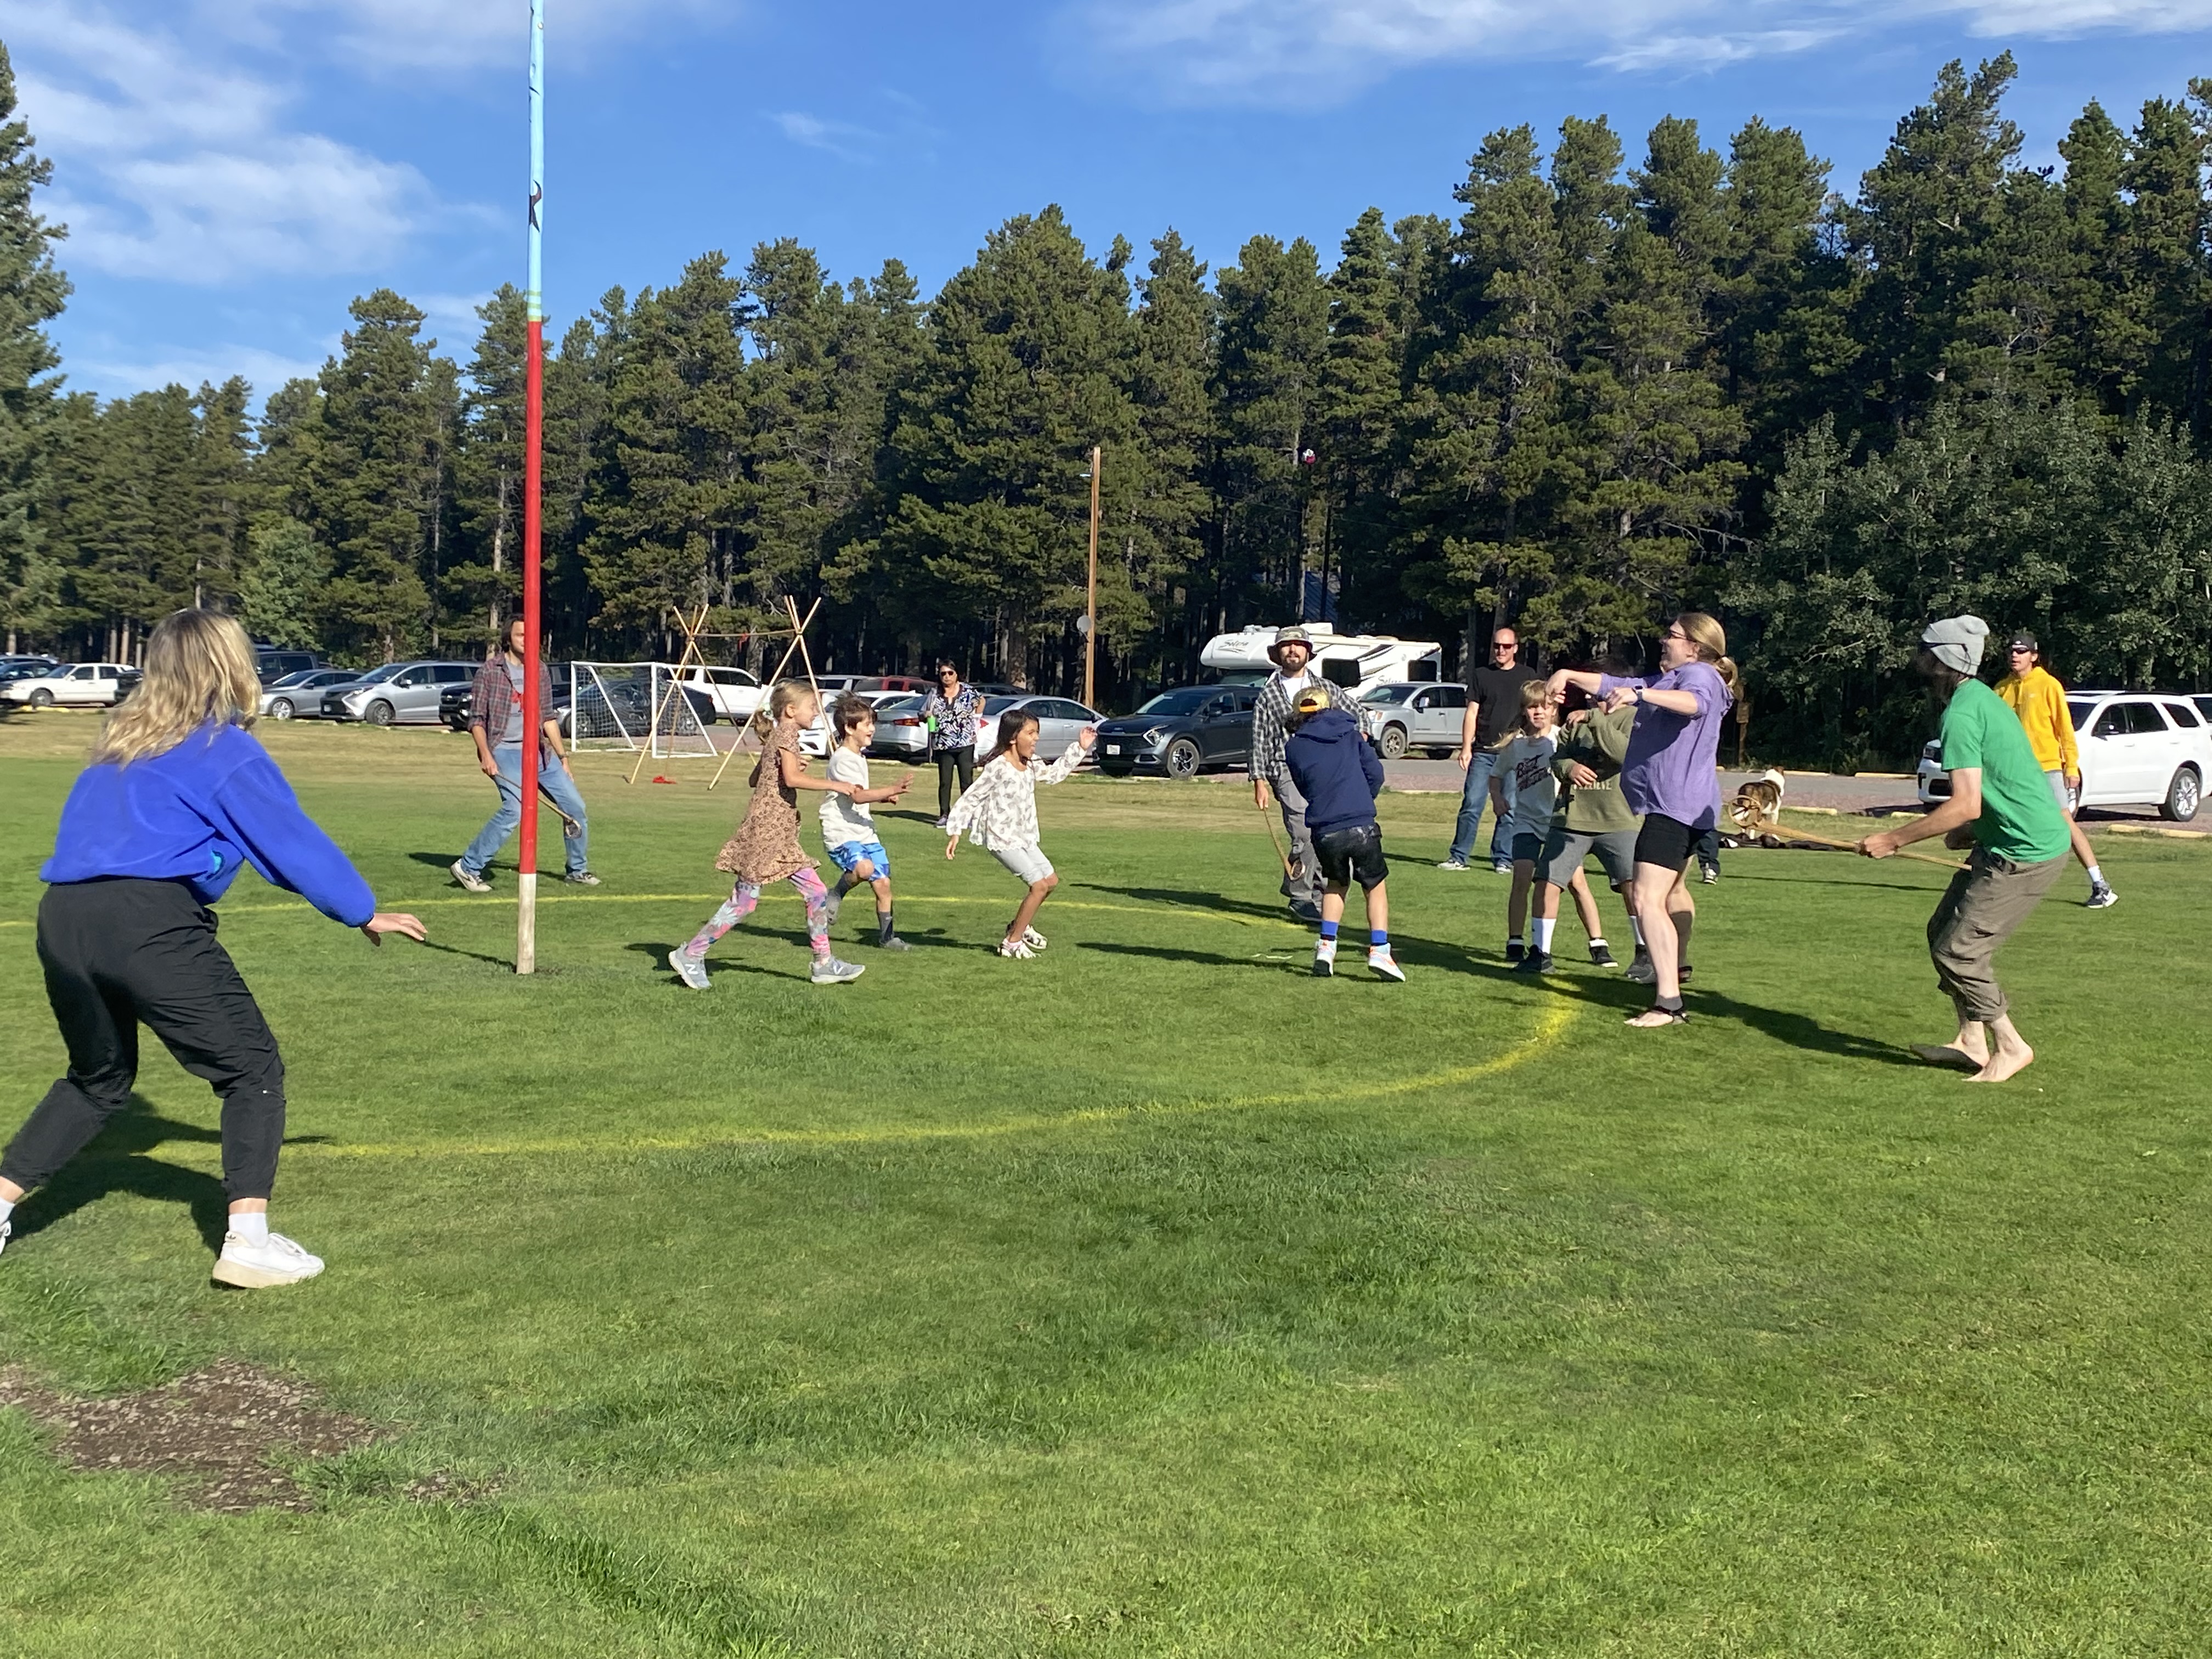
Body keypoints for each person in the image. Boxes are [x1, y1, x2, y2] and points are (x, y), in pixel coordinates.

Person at [0, 609, 426, 1286]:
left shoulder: (117, 748)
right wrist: (361, 911)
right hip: (147, 921)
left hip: (62, 920)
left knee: (98, 1080)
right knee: (252, 1069)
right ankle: (248, 1242)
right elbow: (288, 841)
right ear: (230, 665)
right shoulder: (219, 748)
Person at [1861, 616, 2070, 1084]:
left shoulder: (1962, 712)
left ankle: (2012, 1047)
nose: (1918, 660)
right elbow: (1998, 786)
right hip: (2001, 840)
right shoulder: (1981, 699)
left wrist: (1892, 839)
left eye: (1925, 653)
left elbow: (1964, 802)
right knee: (1942, 931)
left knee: (1959, 950)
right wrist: (1972, 832)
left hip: (2027, 852)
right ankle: (1970, 1041)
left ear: (1944, 660)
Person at [1547, 613, 1738, 1028]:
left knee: (1646, 900)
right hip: (1684, 808)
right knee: (1667, 897)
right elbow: (1614, 686)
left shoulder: (1700, 677)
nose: (1663, 640)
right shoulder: (1675, 677)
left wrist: (1642, 697)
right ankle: (1675, 981)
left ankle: (1668, 1003)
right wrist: (1567, 674)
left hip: (1673, 809)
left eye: (1672, 636)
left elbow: (1694, 706)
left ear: (1696, 647)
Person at [668, 683, 868, 989]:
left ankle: (824, 964)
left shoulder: (780, 736)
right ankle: (692, 955)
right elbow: (790, 779)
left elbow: (756, 778)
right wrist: (836, 786)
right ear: (791, 711)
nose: (816, 713)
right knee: (745, 901)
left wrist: (787, 765)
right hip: (768, 831)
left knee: (815, 893)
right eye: (812, 708)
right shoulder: (787, 734)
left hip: (781, 833)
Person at [450, 617, 596, 893]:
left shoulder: (540, 670)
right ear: (509, 638)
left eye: (531, 636)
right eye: (520, 635)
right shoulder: (491, 671)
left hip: (540, 753)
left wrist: (563, 758)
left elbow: (548, 717)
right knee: (514, 809)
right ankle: (468, 867)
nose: (526, 640)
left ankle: (577, 870)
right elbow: (477, 720)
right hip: (504, 750)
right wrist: (486, 755)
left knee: (575, 807)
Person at [944, 706, 1096, 959]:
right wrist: (956, 830)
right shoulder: (998, 767)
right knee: (1038, 886)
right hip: (1002, 838)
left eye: (1037, 733)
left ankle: (1020, 926)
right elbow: (972, 797)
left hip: (1024, 836)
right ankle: (1011, 943)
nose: (1036, 739)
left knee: (1050, 882)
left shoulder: (1031, 763)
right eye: (1031, 733)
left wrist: (1079, 747)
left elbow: (1053, 775)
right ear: (1014, 737)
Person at [1282, 685, 1404, 980]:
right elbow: (1375, 774)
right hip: (1360, 820)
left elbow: (1304, 786)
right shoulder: (1350, 735)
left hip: (1325, 826)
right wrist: (1363, 797)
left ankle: (1326, 947)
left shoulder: (1294, 746)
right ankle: (1379, 951)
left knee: (1335, 883)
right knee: (1374, 886)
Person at [1248, 624, 1362, 922]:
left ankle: (1318, 894)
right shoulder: (1268, 696)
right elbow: (1260, 741)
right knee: (1303, 832)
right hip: (1286, 769)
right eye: (1286, 646)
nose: (1293, 650)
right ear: (1277, 654)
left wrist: (1353, 743)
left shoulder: (1325, 689)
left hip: (1325, 771)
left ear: (1308, 652)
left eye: (1299, 645)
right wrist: (1259, 781)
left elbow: (1357, 715)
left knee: (1323, 832)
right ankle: (1300, 897)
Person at [1995, 632, 2115, 909]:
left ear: (2034, 656)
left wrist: (2071, 766)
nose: (2015, 656)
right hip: (2015, 773)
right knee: (2010, 822)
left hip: (2047, 767)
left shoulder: (2049, 685)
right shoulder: (2002, 689)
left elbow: (2065, 730)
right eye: (2012, 651)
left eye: (2022, 651)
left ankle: (2101, 885)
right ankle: (2004, 879)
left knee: (2064, 823)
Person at [1526, 699, 1642, 974]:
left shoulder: (1635, 718)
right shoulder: (1575, 721)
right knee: (1547, 881)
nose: (1593, 700)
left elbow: (1624, 754)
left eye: (1598, 694)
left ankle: (1644, 952)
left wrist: (1594, 717)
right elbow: (1558, 758)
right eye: (1590, 695)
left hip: (1619, 819)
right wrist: (1569, 769)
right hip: (1572, 817)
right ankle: (1540, 954)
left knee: (1634, 887)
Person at [820, 695, 913, 950]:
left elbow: (860, 796)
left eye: (872, 722)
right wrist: (891, 788)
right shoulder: (842, 758)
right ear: (850, 728)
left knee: (883, 884)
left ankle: (888, 938)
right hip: (841, 830)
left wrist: (885, 798)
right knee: (864, 869)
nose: (872, 728)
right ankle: (836, 893)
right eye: (867, 724)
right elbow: (858, 794)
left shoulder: (859, 757)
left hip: (863, 828)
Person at [1440, 625, 1529, 874]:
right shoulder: (1481, 675)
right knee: (1472, 804)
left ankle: (1503, 859)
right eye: (1497, 646)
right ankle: (1459, 857)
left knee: (1509, 808)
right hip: (1483, 752)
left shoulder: (1527, 676)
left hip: (1513, 753)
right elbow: (1472, 712)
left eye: (1506, 646)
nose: (1501, 651)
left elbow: (1535, 711)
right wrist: (1466, 747)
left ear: (1515, 649)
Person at [1491, 680, 1562, 964]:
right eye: (1533, 707)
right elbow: (1495, 775)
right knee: (1522, 877)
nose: (1539, 712)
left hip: (1558, 822)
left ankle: (1597, 943)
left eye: (1545, 706)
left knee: (1573, 883)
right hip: (1526, 821)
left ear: (1554, 710)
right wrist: (1497, 798)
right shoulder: (1517, 746)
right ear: (1524, 711)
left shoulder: (1561, 738)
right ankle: (1515, 940)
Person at [921, 662, 985, 828]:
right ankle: (944, 815)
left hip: (965, 742)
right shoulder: (935, 693)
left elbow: (982, 701)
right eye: (943, 674)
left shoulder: (968, 691)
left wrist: (976, 720)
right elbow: (923, 713)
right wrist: (926, 715)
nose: (947, 677)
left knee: (966, 781)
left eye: (950, 673)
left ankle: (968, 815)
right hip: (943, 744)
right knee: (945, 781)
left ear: (957, 674)